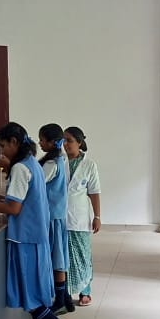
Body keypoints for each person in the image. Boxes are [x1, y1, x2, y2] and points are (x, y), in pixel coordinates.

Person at [0, 122, 84, 319]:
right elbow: (20, 198)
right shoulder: (31, 162)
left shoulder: (21, 167)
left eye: (3, 146)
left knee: (31, 297)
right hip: (35, 237)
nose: (2, 151)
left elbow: (14, 208)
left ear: (14, 142)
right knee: (35, 294)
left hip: (26, 240)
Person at [63, 126, 101, 307]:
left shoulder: (89, 165)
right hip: (61, 216)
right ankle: (65, 291)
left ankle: (85, 291)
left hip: (79, 216)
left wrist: (97, 216)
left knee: (82, 254)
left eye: (69, 140)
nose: (65, 144)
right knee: (64, 255)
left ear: (79, 142)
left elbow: (94, 192)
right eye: (63, 140)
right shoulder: (58, 162)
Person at [38, 123, 74, 313]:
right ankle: (66, 297)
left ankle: (59, 299)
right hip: (58, 214)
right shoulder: (61, 159)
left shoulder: (51, 164)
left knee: (57, 259)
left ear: (52, 142)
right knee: (59, 257)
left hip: (53, 217)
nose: (40, 143)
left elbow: (36, 183)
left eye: (42, 140)